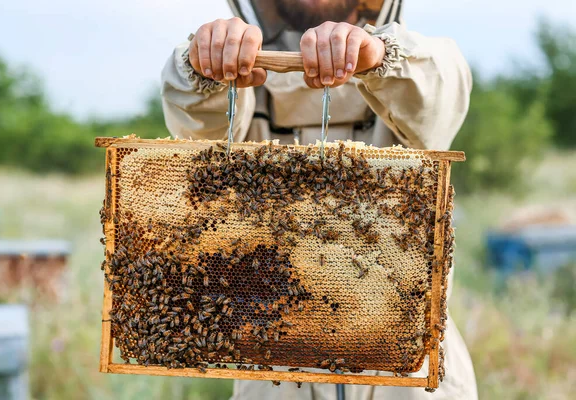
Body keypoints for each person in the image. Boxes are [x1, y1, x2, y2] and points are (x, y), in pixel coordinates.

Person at [160, 0, 477, 398]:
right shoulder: (232, 82)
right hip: (273, 373)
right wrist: (202, 66)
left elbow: (439, 89)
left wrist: (378, 54)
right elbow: (198, 138)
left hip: (409, 375)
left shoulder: (418, 61)